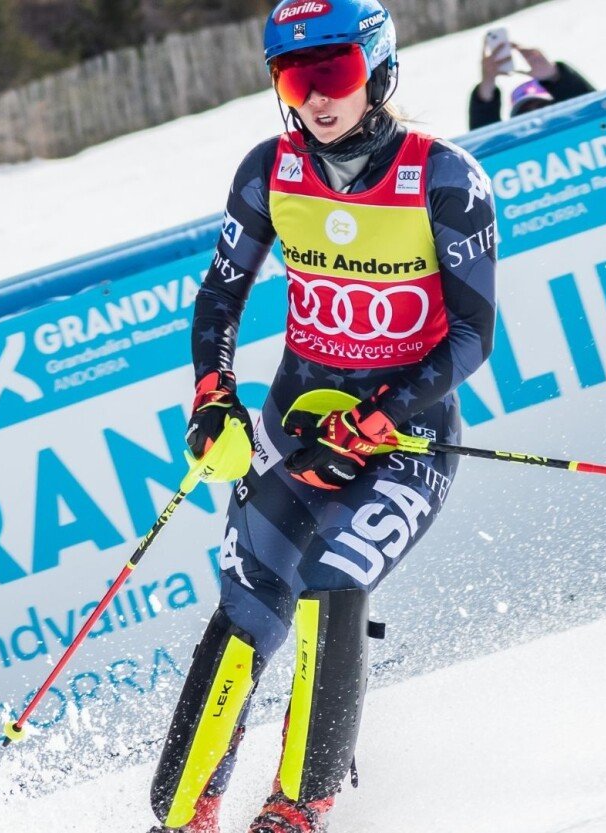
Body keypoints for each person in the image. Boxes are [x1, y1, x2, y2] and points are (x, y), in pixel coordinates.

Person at [147, 1, 497, 831]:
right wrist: (213, 393)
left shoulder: (445, 179)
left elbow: (472, 336)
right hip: (295, 422)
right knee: (250, 599)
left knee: (335, 576)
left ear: (378, 70)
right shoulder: (268, 170)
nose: (315, 97)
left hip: (405, 435)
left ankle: (299, 810)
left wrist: (377, 418)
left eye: (333, 72)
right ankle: (182, 812)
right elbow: (220, 296)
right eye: (293, 77)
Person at [469, 41, 596, 130]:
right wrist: (487, 85)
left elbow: (595, 111)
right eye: (524, 114)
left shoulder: (584, 136)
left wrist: (554, 76)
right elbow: (485, 143)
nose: (535, 118)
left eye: (542, 107)